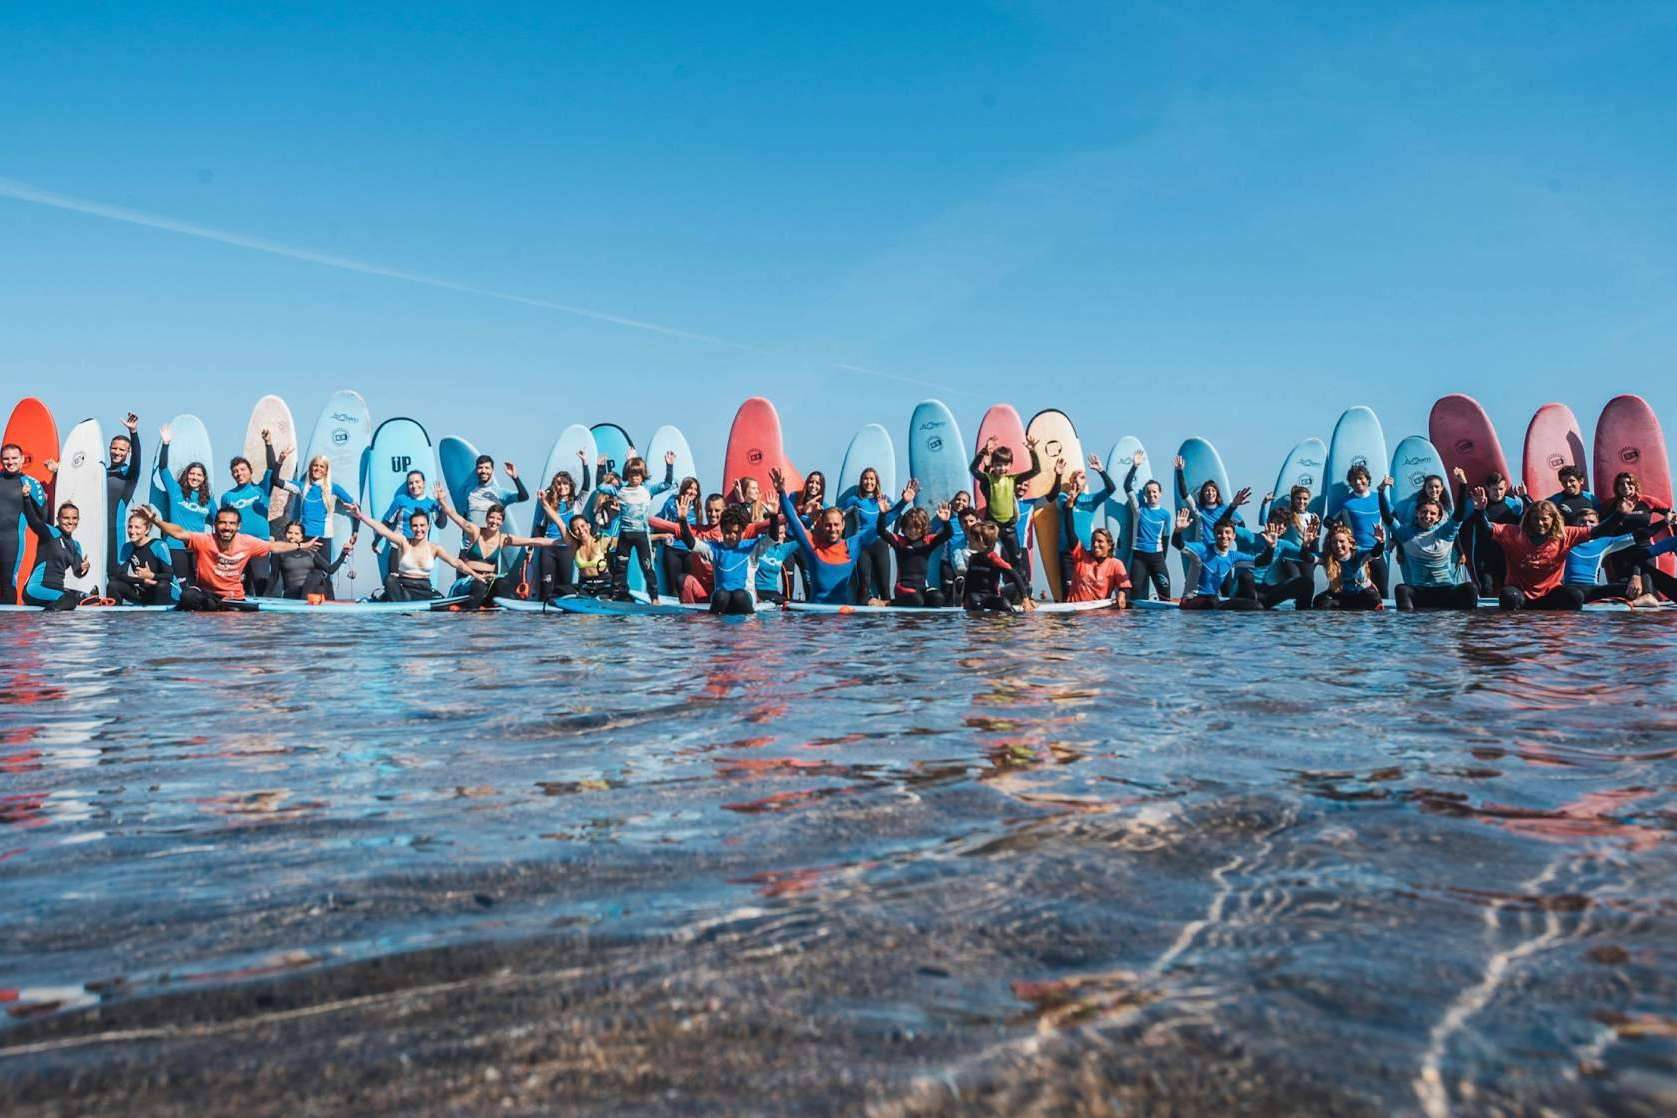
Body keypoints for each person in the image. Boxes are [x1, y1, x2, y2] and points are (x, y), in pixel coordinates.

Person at [772, 466, 905, 606]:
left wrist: (903, 502)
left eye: (836, 525)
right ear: (822, 525)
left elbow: (879, 528)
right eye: (828, 525)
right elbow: (793, 520)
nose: (832, 529)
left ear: (842, 525)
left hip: (841, 617)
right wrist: (781, 492)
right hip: (815, 618)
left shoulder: (852, 546)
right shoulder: (812, 545)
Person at [141, 505, 317, 611]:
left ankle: (221, 607)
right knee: (187, 597)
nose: (227, 527)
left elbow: (274, 546)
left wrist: (301, 546)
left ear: (238, 526)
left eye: (232, 523)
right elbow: (179, 533)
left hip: (233, 598)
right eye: (223, 523)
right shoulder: (204, 540)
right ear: (216, 525)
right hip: (207, 594)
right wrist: (155, 520)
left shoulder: (247, 542)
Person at [1466, 491, 1613, 611]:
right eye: (1535, 518)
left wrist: (1620, 514)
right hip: (1520, 594)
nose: (1539, 523)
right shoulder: (1512, 532)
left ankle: (1565, 630)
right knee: (1508, 595)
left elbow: (1598, 531)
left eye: (1544, 519)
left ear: (1553, 519)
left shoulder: (1566, 534)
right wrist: (1479, 511)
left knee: (1575, 596)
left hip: (1550, 595)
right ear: (1528, 519)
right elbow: (1485, 529)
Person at [435, 486, 557, 608]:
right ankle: (468, 612)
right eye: (492, 517)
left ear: (502, 522)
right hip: (469, 579)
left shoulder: (503, 539)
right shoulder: (475, 531)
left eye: (498, 519)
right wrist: (442, 501)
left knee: (503, 584)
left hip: (489, 579)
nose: (494, 521)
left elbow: (534, 541)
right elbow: (454, 516)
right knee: (479, 586)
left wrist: (558, 541)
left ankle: (495, 616)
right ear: (487, 518)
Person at [352, 505, 485, 603]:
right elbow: (382, 530)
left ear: (427, 526)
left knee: (446, 606)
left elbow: (456, 563)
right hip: (404, 589)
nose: (419, 529)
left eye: (422, 525)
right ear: (410, 527)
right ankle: (397, 604)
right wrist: (361, 516)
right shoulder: (404, 542)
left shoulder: (435, 548)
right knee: (389, 579)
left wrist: (476, 575)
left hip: (425, 589)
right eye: (415, 526)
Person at [594, 450, 677, 602]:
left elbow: (667, 484)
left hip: (641, 536)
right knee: (620, 568)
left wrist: (669, 466)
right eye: (632, 475)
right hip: (625, 535)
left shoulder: (647, 490)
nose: (635, 478)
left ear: (643, 476)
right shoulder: (620, 490)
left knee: (647, 568)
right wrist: (600, 468)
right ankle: (617, 595)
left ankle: (654, 597)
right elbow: (600, 487)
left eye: (638, 475)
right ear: (627, 475)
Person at [1380, 483, 1476, 611]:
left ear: (1438, 517)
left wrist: (1463, 485)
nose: (1427, 516)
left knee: (1470, 588)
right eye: (1424, 512)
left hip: (1446, 590)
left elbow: (1459, 514)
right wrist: (1381, 492)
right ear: (1417, 513)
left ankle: (1470, 620)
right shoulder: (1406, 534)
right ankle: (1408, 625)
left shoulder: (1446, 532)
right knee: (1401, 589)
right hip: (1420, 592)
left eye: (1432, 513)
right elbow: (1387, 518)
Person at [274, 453, 360, 590]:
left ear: (326, 470)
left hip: (323, 537)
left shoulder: (333, 488)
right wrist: (280, 461)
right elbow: (276, 481)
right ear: (310, 468)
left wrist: (355, 531)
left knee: (324, 573)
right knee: (303, 572)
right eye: (315, 465)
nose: (318, 469)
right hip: (303, 537)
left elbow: (356, 508)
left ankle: (326, 602)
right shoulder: (302, 487)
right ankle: (300, 601)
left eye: (321, 466)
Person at [673, 495, 763, 614]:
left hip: (744, 601)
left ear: (742, 531)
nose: (732, 536)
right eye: (728, 532)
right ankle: (715, 627)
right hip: (722, 600)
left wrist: (774, 515)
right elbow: (691, 543)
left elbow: (773, 537)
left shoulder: (751, 547)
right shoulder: (714, 549)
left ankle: (743, 627)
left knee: (739, 595)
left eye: (736, 532)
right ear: (722, 530)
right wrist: (683, 520)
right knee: (721, 595)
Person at [1171, 509, 1276, 610]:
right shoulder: (1202, 550)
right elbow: (1178, 544)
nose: (1224, 536)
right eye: (1220, 532)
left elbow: (1263, 561)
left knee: (1256, 606)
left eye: (1227, 532)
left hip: (1213, 602)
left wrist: (1271, 547)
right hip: (1190, 601)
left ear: (1234, 536)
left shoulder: (1233, 557)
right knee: (1212, 600)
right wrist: (1178, 531)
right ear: (1214, 535)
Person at [1596, 471, 1677, 598]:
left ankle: (1651, 604)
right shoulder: (1609, 505)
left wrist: (1668, 518)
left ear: (1635, 485)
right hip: (1619, 551)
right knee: (1628, 591)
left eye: (1629, 483)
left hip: (1643, 549)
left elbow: (1671, 513)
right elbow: (1602, 530)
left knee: (1647, 588)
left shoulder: (1647, 501)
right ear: (1616, 487)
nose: (1626, 486)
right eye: (1621, 484)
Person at [219, 428, 281, 594]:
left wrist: (268, 443)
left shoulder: (262, 488)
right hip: (237, 545)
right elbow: (223, 524)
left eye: (242, 469)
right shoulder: (227, 497)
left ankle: (261, 620)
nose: (239, 473)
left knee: (261, 582)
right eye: (235, 471)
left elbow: (272, 467)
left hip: (260, 543)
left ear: (250, 471)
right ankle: (239, 619)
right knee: (240, 587)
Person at [970, 434, 1043, 570]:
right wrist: (983, 452)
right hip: (992, 527)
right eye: (998, 465)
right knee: (987, 557)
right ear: (993, 465)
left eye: (1005, 465)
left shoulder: (1013, 480)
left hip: (1009, 527)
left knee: (1016, 560)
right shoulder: (987, 479)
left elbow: (1036, 470)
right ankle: (988, 584)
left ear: (1010, 465)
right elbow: (973, 469)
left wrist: (1032, 451)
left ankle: (1021, 587)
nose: (1002, 468)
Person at [154, 425, 215, 581]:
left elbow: (218, 520)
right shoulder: (176, 491)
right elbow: (163, 469)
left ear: (204, 479)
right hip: (176, 544)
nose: (194, 477)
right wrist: (166, 444)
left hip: (198, 545)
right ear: (186, 475)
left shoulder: (208, 499)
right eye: (192, 474)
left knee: (197, 582)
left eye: (199, 475)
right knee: (181, 582)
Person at [529, 451, 592, 601]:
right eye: (558, 483)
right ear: (554, 486)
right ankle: (546, 616)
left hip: (567, 548)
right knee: (546, 585)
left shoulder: (577, 504)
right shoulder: (548, 504)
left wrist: (585, 463)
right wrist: (530, 549)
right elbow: (539, 527)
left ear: (570, 485)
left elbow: (587, 486)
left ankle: (563, 619)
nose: (562, 486)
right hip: (548, 548)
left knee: (564, 586)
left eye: (565, 483)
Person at [879, 489, 954, 607]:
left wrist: (945, 522)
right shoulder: (900, 541)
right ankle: (888, 603)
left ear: (923, 528)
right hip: (903, 587)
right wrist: (882, 514)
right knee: (917, 601)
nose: (912, 531)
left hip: (921, 588)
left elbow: (947, 535)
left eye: (916, 527)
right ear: (903, 528)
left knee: (938, 598)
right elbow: (881, 532)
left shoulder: (927, 541)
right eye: (908, 527)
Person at [1455, 467, 1523, 595]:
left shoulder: (1515, 504)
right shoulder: (1474, 503)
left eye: (1501, 489)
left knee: (1508, 589)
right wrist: (1460, 551)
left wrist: (1525, 497)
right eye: (1495, 489)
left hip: (1507, 554)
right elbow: (1456, 524)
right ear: (1487, 488)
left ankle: (1507, 616)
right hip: (1482, 555)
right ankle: (1484, 615)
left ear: (1506, 487)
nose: (1498, 493)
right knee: (1486, 588)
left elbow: (1530, 521)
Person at [1055, 454, 1116, 587]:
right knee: (1069, 589)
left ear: (1085, 483)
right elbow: (1067, 508)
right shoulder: (1062, 497)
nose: (1078, 480)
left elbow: (1111, 489)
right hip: (1067, 553)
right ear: (1071, 482)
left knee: (1088, 588)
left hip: (1088, 551)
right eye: (1075, 477)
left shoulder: (1091, 500)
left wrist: (1101, 470)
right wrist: (1073, 497)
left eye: (1082, 478)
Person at [20, 498, 91, 610]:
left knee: (83, 597)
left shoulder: (75, 545)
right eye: (66, 518)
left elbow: (78, 572)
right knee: (69, 600)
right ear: (58, 519)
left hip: (56, 589)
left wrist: (85, 568)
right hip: (37, 588)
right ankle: (49, 617)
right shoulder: (51, 533)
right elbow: (33, 521)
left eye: (74, 518)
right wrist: (26, 499)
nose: (70, 522)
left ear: (78, 520)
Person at [1, 442, 49, 604]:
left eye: (14, 458)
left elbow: (43, 516)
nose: (10, 462)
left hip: (12, 541)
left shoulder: (30, 483)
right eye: (6, 458)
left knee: (7, 583)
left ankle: (8, 627)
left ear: (22, 459)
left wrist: (28, 499)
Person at [839, 466, 896, 603]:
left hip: (880, 544)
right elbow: (838, 515)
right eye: (865, 478)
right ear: (861, 481)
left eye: (871, 479)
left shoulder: (883, 499)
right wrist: (842, 540)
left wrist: (893, 538)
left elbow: (897, 514)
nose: (868, 482)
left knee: (885, 589)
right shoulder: (855, 500)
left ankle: (885, 622)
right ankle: (861, 621)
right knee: (864, 585)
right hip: (862, 546)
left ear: (876, 482)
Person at [1122, 451, 1174, 601]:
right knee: (1135, 594)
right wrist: (1135, 466)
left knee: (1165, 594)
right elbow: (1127, 486)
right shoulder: (1138, 508)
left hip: (1157, 557)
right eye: (1148, 492)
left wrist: (1162, 559)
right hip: (1139, 556)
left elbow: (1165, 538)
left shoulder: (1165, 515)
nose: (1152, 494)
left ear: (1160, 493)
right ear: (1145, 494)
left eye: (1155, 492)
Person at [1331, 465, 1389, 597]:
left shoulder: (1378, 498)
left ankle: (1384, 618)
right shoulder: (1345, 502)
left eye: (1360, 478)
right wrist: (1338, 526)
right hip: (1356, 554)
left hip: (1377, 551)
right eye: (1353, 480)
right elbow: (1328, 521)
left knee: (1383, 590)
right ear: (1350, 483)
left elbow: (1392, 517)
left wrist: (1395, 542)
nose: (1357, 482)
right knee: (1358, 590)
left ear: (1368, 479)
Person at [1560, 506, 1639, 603]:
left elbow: (1638, 536)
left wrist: (1662, 523)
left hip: (1592, 589)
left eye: (1591, 522)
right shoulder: (1565, 541)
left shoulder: (1604, 542)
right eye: (1582, 521)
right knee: (1575, 595)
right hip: (1570, 588)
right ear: (1575, 524)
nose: (1587, 524)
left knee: (1628, 588)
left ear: (1598, 525)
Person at [265, 521, 356, 600]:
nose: (292, 536)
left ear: (302, 537)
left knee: (320, 577)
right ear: (285, 534)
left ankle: (327, 606)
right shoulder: (279, 553)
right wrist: (265, 597)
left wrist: (343, 554)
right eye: (290, 532)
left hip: (312, 594)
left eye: (297, 534)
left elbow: (330, 570)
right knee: (317, 575)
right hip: (293, 595)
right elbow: (274, 577)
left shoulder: (310, 552)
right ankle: (307, 600)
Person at [1308, 521, 1384, 611]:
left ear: (1350, 543)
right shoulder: (1327, 556)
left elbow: (1375, 552)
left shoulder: (1358, 553)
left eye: (1341, 541)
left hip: (1361, 593)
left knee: (1374, 599)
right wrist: (1305, 544)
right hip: (1340, 595)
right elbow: (1308, 558)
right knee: (1319, 601)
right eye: (1334, 542)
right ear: (1330, 545)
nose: (1338, 545)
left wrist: (1380, 542)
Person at [961, 520, 1032, 611]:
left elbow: (1015, 575)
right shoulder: (973, 558)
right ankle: (979, 622)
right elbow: (968, 580)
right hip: (974, 598)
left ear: (981, 541)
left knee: (1005, 603)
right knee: (973, 599)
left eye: (972, 538)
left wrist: (1025, 599)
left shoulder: (994, 558)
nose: (969, 540)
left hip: (991, 597)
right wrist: (964, 600)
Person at [108, 510, 176, 605]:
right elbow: (119, 574)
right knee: (113, 585)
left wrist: (152, 576)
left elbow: (169, 576)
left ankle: (161, 618)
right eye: (130, 527)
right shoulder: (127, 547)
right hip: (143, 590)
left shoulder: (159, 545)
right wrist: (142, 580)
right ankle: (115, 618)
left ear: (147, 529)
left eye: (137, 527)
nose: (132, 531)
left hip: (161, 591)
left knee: (162, 586)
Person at [104, 412, 143, 580]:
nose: (117, 452)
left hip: (115, 532)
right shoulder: (101, 473)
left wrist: (133, 433)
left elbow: (137, 461)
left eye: (122, 449)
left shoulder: (129, 473)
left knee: (114, 576)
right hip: (95, 531)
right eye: (114, 448)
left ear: (128, 452)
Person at [1063, 527, 1130, 606]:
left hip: (1099, 612)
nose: (1095, 544)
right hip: (1076, 612)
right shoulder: (1081, 556)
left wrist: (1121, 595)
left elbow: (1124, 587)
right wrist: (1067, 514)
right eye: (1093, 542)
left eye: (1100, 541)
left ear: (1109, 545)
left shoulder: (1116, 564)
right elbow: (1070, 534)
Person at [464, 454, 529, 526]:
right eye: (480, 467)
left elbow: (524, 497)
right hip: (469, 537)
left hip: (489, 536)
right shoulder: (469, 491)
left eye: (487, 468)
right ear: (476, 470)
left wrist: (515, 478)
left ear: (492, 470)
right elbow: (465, 516)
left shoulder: (500, 493)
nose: (483, 471)